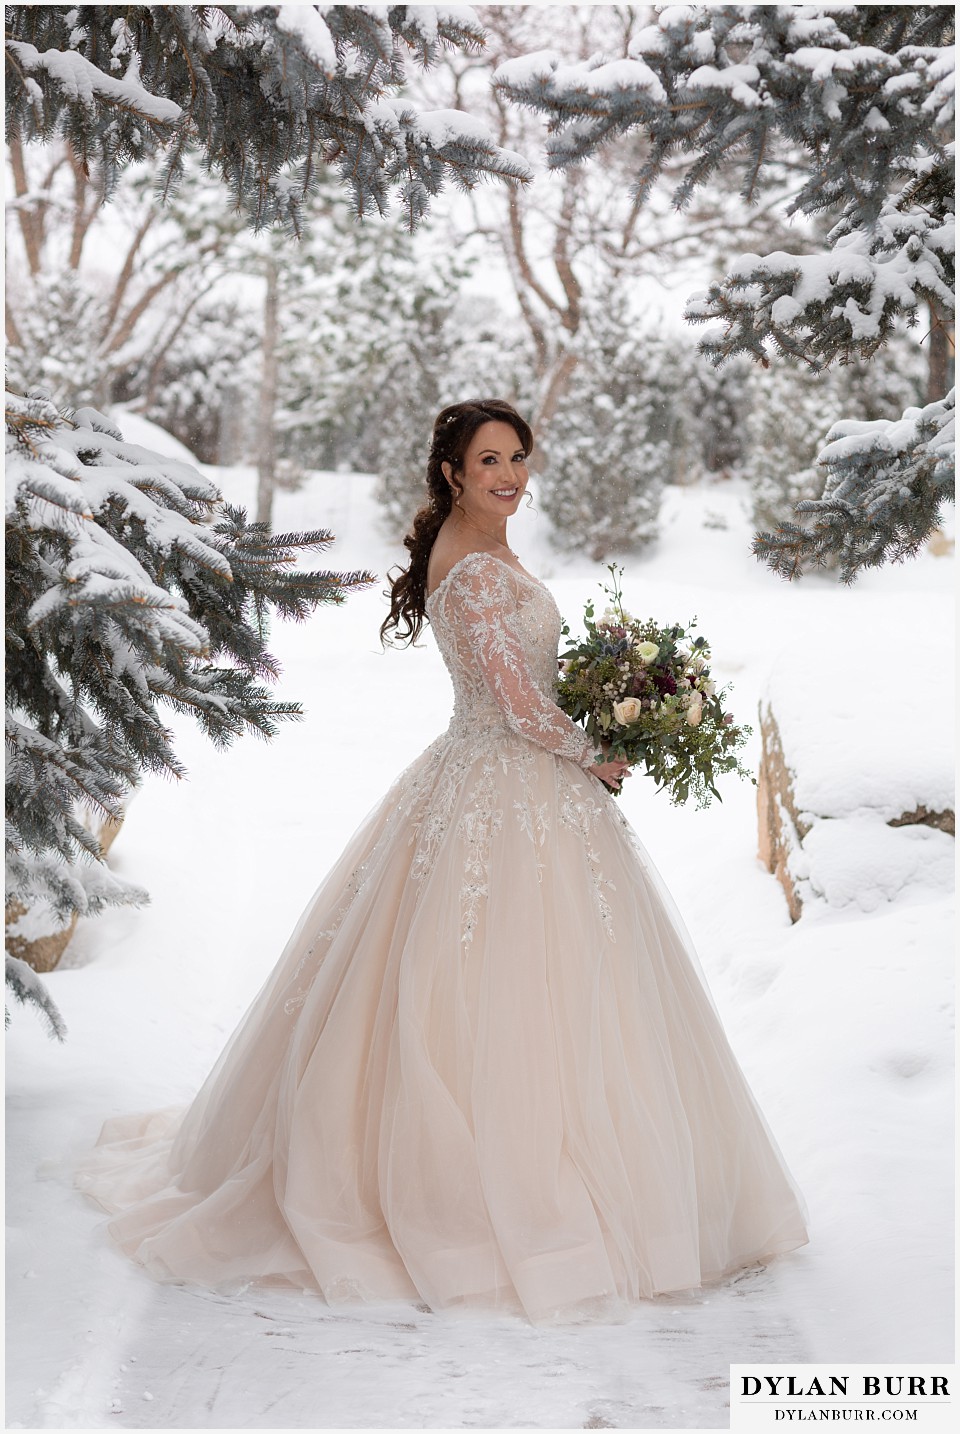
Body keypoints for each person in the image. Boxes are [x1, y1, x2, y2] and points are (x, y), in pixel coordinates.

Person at [78, 398, 808, 1325]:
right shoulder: (466, 576)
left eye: (519, 458)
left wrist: (611, 698)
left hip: (515, 786)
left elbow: (530, 684)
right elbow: (513, 705)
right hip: (501, 785)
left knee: (564, 991)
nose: (510, 475)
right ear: (452, 473)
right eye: (490, 460)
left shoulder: (486, 552)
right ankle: (485, 1200)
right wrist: (595, 749)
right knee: (488, 993)